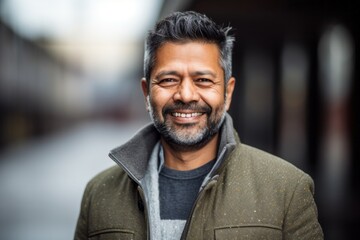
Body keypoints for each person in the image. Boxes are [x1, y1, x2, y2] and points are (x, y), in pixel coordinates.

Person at [74, 11, 323, 240]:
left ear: (227, 93)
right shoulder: (99, 194)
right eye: (169, 79)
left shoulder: (287, 190)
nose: (186, 95)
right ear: (146, 93)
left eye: (203, 80)